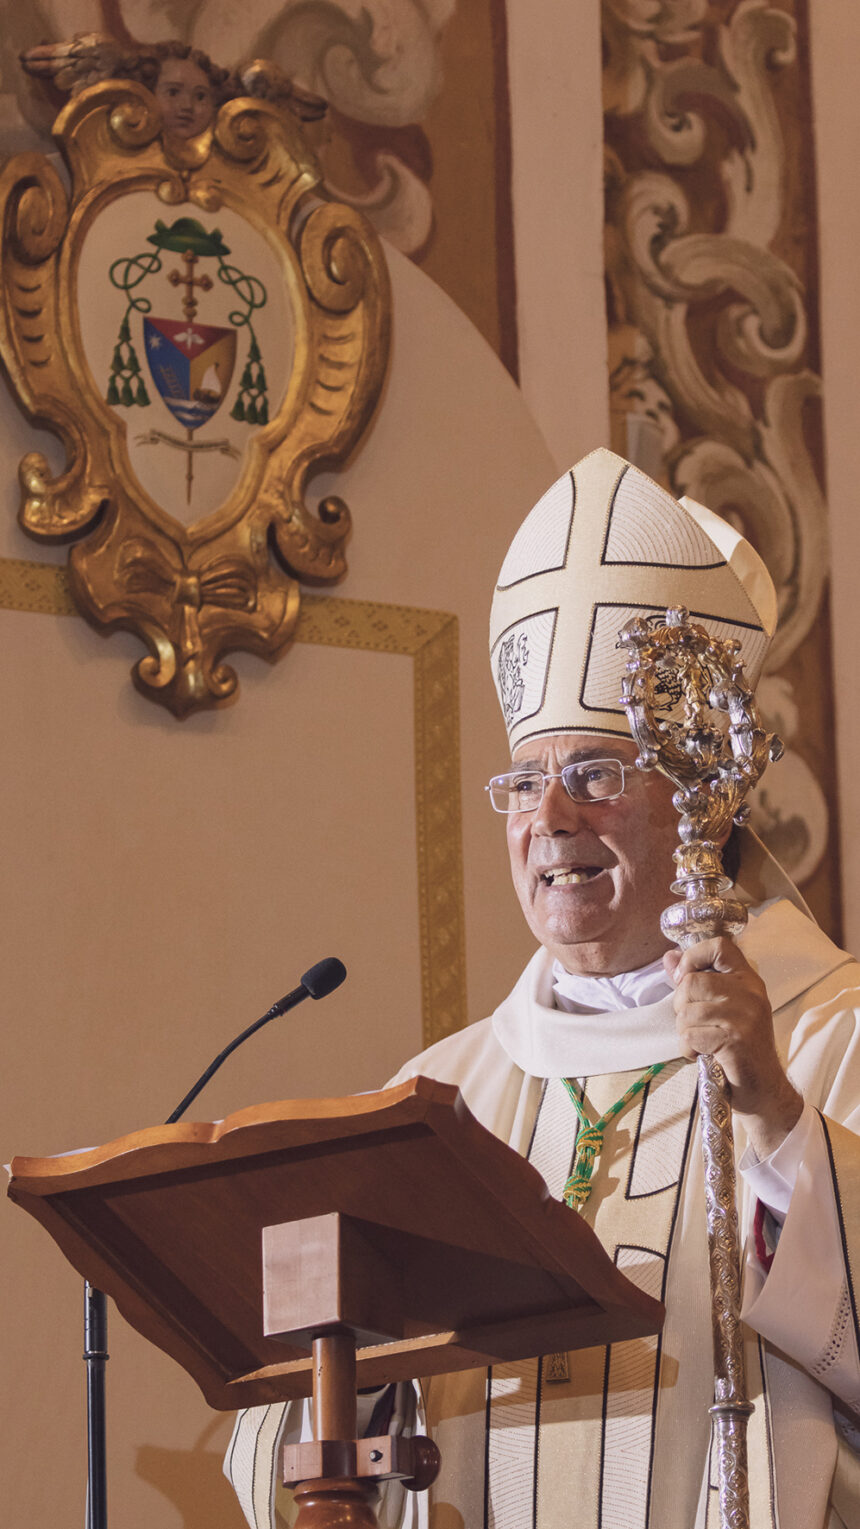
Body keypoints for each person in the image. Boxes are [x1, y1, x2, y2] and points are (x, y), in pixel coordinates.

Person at [226, 447, 860, 1528]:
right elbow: (280, 1445)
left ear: (700, 809)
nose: (549, 820)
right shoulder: (439, 1092)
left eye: (596, 775)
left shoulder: (824, 1040)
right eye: (523, 782)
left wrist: (769, 1119)